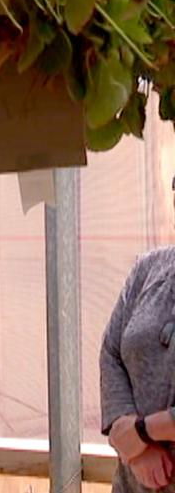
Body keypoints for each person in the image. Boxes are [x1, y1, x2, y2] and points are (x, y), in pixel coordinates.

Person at [100, 175, 175, 492]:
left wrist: (142, 432)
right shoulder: (148, 269)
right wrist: (131, 443)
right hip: (133, 483)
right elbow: (111, 353)